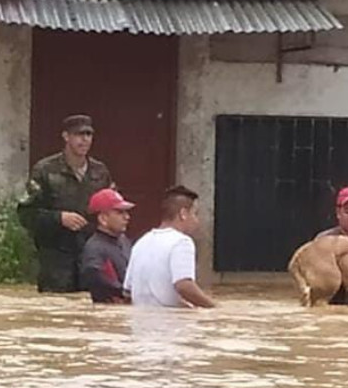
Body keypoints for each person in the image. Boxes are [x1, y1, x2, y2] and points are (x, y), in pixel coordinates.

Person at [17, 114, 114, 293]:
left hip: (90, 259)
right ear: (66, 136)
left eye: (88, 135)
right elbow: (26, 214)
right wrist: (59, 218)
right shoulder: (45, 171)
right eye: (79, 135)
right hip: (56, 261)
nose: (84, 140)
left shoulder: (100, 172)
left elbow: (111, 212)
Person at [123, 185, 215, 308]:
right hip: (170, 325)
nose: (197, 221)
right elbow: (184, 286)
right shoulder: (182, 242)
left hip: (140, 324)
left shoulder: (141, 242)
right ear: (183, 214)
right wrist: (214, 308)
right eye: (195, 214)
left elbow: (127, 291)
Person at [80, 188, 135, 304]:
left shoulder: (124, 241)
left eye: (126, 212)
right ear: (103, 219)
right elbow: (99, 281)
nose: (127, 217)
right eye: (120, 212)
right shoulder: (94, 249)